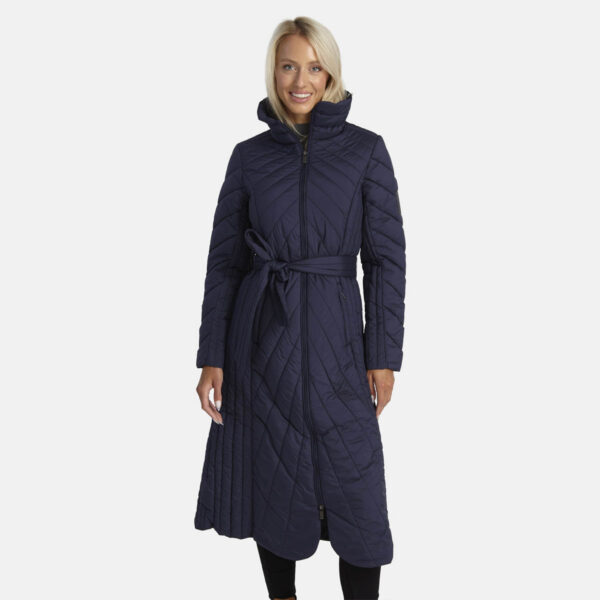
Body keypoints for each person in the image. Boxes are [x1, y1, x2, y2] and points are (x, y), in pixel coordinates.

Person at [194, 16, 406, 600]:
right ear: (274, 71)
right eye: (289, 66)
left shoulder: (366, 151)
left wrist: (383, 356)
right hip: (262, 345)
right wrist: (213, 356)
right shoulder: (249, 158)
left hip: (341, 350)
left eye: (314, 67)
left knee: (359, 497)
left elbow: (385, 261)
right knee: (276, 482)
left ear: (331, 73)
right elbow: (224, 264)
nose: (301, 80)